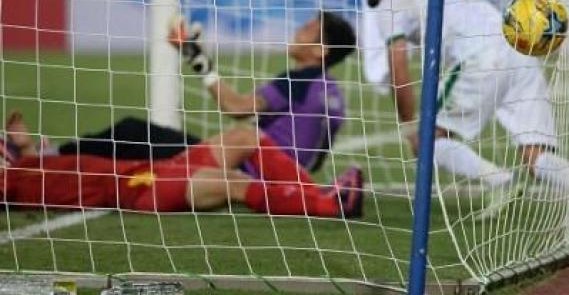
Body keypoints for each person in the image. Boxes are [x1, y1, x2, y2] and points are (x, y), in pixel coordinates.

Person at [357, 0, 569, 197]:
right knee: (535, 155)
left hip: (480, 57)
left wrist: (408, 127)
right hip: (519, 52)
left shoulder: (392, 0)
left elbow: (399, 69)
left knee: (428, 141)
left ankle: (497, 180)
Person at [44, 12, 356, 176]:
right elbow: (316, 159)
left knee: (130, 133)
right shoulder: (333, 94)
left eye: (306, 29)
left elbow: (235, 107)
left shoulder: (299, 81)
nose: (297, 32)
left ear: (320, 49)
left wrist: (198, 60)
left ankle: (46, 158)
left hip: (237, 169)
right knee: (143, 145)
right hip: (277, 177)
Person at [1, 110, 363, 217]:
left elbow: (36, 155)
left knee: (244, 137)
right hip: (140, 189)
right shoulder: (14, 181)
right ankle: (329, 205)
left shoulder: (34, 164)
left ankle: (314, 192)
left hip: (155, 168)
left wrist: (26, 146)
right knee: (234, 182)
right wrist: (22, 152)